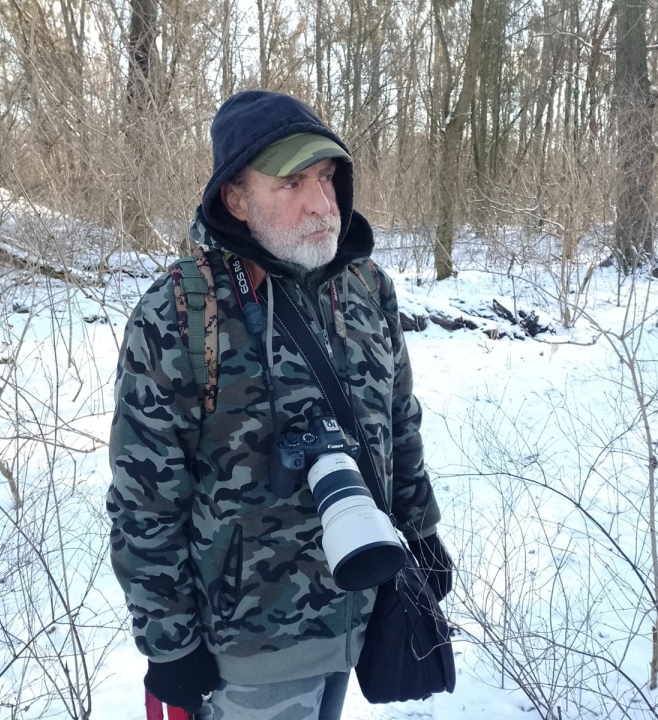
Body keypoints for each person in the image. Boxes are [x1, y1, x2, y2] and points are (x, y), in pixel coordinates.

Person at [106, 90, 453, 720]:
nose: (323, 204)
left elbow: (400, 423)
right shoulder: (180, 315)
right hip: (246, 648)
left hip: (355, 611)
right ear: (236, 200)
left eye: (325, 178)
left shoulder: (368, 288)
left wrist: (422, 534)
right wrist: (169, 644)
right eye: (291, 182)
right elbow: (144, 502)